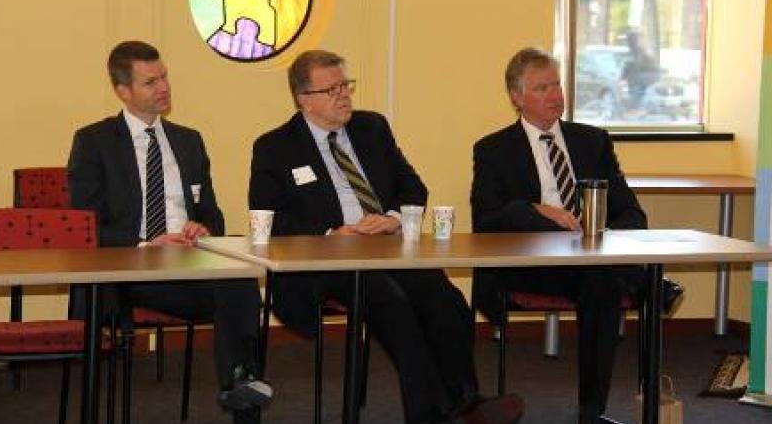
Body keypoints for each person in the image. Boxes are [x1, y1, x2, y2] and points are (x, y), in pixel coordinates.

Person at [248, 49, 523, 424]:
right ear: (303, 99)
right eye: (331, 90)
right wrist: (331, 233)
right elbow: (269, 216)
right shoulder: (275, 147)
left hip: (385, 248)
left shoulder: (371, 128)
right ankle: (430, 414)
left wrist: (392, 219)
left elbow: (413, 186)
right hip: (325, 259)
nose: (343, 96)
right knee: (390, 302)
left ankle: (466, 399)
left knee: (445, 298)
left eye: (346, 85)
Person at [67, 40, 270, 424]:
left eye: (164, 77)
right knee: (234, 287)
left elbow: (212, 214)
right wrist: (147, 242)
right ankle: (242, 387)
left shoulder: (188, 140)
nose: (163, 87)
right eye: (150, 82)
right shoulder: (94, 142)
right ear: (123, 91)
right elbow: (84, 225)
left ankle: (240, 385)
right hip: (131, 269)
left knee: (239, 279)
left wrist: (202, 227)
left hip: (188, 263)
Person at [470, 47, 648, 424]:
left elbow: (632, 212)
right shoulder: (493, 150)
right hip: (532, 264)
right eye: (542, 88)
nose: (555, 95)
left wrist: (604, 237)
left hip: (592, 259)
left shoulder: (592, 141)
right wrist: (536, 210)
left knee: (601, 280)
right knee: (610, 280)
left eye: (557, 85)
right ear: (517, 97)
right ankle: (645, 282)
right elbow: (485, 221)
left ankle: (591, 411)